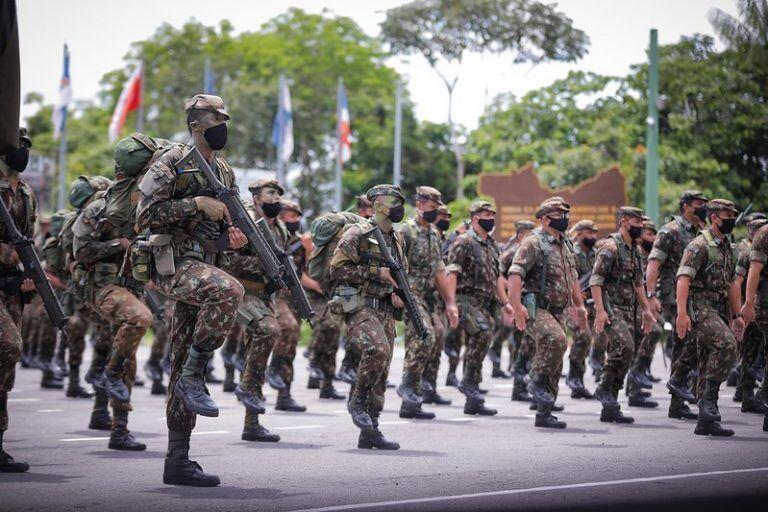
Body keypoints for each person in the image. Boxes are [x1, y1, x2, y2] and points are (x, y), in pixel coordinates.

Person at [136, 94, 246, 486]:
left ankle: (177, 460)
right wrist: (196, 203)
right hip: (173, 263)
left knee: (180, 357)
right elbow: (144, 215)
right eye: (217, 118)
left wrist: (228, 239)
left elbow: (220, 231)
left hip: (205, 265)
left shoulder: (226, 171)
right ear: (197, 123)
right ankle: (196, 372)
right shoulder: (172, 163)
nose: (223, 125)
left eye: (225, 118)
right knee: (229, 292)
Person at [329, 184, 406, 449]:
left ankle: (370, 430)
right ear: (377, 204)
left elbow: (399, 274)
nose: (399, 206)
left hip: (385, 308)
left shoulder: (397, 238)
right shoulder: (358, 232)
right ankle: (357, 400)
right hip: (359, 304)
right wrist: (375, 273)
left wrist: (398, 294)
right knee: (377, 350)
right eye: (393, 201)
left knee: (382, 371)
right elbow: (337, 269)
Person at [505, 197, 589, 429]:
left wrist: (579, 305)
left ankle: (545, 411)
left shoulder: (566, 244)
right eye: (557, 214)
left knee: (556, 356)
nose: (564, 218)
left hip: (558, 309)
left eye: (565, 214)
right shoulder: (534, 242)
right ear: (544, 218)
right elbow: (515, 274)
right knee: (557, 340)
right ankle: (535, 381)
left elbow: (572, 279)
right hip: (535, 306)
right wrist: (516, 307)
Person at [676, 199, 744, 436]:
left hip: (718, 307)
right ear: (715, 218)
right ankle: (708, 404)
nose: (732, 220)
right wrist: (682, 314)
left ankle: (706, 419)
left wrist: (737, 315)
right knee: (726, 344)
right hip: (699, 306)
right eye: (728, 215)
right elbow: (683, 280)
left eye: (734, 215)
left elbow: (733, 284)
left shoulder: (727, 246)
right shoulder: (699, 245)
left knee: (707, 359)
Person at [396, 187, 459, 420]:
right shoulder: (405, 232)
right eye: (432, 208)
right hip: (409, 294)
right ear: (419, 205)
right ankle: (407, 385)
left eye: (437, 208)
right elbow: (393, 265)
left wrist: (450, 302)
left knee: (433, 336)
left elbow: (439, 270)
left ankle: (411, 402)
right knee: (425, 336)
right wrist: (395, 293)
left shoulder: (434, 234)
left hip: (428, 297)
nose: (435, 213)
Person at [645, 190, 708, 420]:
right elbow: (654, 263)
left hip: (696, 296)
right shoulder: (671, 230)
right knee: (686, 341)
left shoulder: (701, 232)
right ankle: (679, 388)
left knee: (689, 344)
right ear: (686, 206)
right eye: (698, 203)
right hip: (673, 295)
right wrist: (651, 295)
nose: (702, 207)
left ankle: (678, 399)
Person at [590, 207, 655, 424]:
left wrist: (646, 309)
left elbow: (638, 282)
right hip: (610, 308)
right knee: (625, 346)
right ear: (624, 221)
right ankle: (603, 387)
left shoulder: (635, 250)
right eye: (637, 221)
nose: (641, 225)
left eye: (642, 221)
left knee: (629, 351)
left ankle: (611, 406)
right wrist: (600, 310)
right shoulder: (610, 247)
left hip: (629, 308)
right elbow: (596, 281)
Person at [445, 200, 505, 416]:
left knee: (482, 339)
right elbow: (452, 272)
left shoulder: (490, 244)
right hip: (465, 300)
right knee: (482, 333)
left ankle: (473, 401)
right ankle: (468, 381)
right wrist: (451, 303)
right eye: (486, 214)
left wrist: (506, 303)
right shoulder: (464, 241)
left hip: (485, 304)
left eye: (492, 214)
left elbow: (497, 277)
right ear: (475, 218)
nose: (491, 218)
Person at [0, 128, 35, 473]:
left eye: (26, 146)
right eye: (16, 146)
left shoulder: (26, 192)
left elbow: (30, 238)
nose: (21, 152)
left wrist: (28, 272)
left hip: (11, 288)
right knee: (7, 346)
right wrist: (7, 252)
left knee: (8, 364)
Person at [732, 213, 768, 414]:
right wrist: (741, 308)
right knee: (750, 353)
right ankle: (748, 394)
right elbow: (737, 282)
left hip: (755, 307)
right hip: (753, 307)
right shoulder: (746, 253)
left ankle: (748, 394)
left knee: (752, 353)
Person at [498, 220, 536, 401]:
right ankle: (519, 388)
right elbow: (497, 275)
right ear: (521, 235)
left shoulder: (532, 252)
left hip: (529, 304)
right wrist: (512, 293)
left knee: (529, 346)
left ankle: (524, 386)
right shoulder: (512, 253)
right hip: (515, 304)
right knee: (522, 345)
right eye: (530, 234)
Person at [565, 219, 599, 399]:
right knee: (582, 336)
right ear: (579, 234)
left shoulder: (596, 255)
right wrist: (577, 295)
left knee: (589, 341)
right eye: (588, 233)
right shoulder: (572, 254)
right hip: (573, 303)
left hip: (592, 303)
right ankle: (573, 378)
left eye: (594, 233)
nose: (592, 236)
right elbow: (569, 279)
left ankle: (578, 380)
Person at [741, 220, 768, 432]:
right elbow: (752, 271)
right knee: (751, 351)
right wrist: (748, 303)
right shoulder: (764, 235)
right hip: (765, 305)